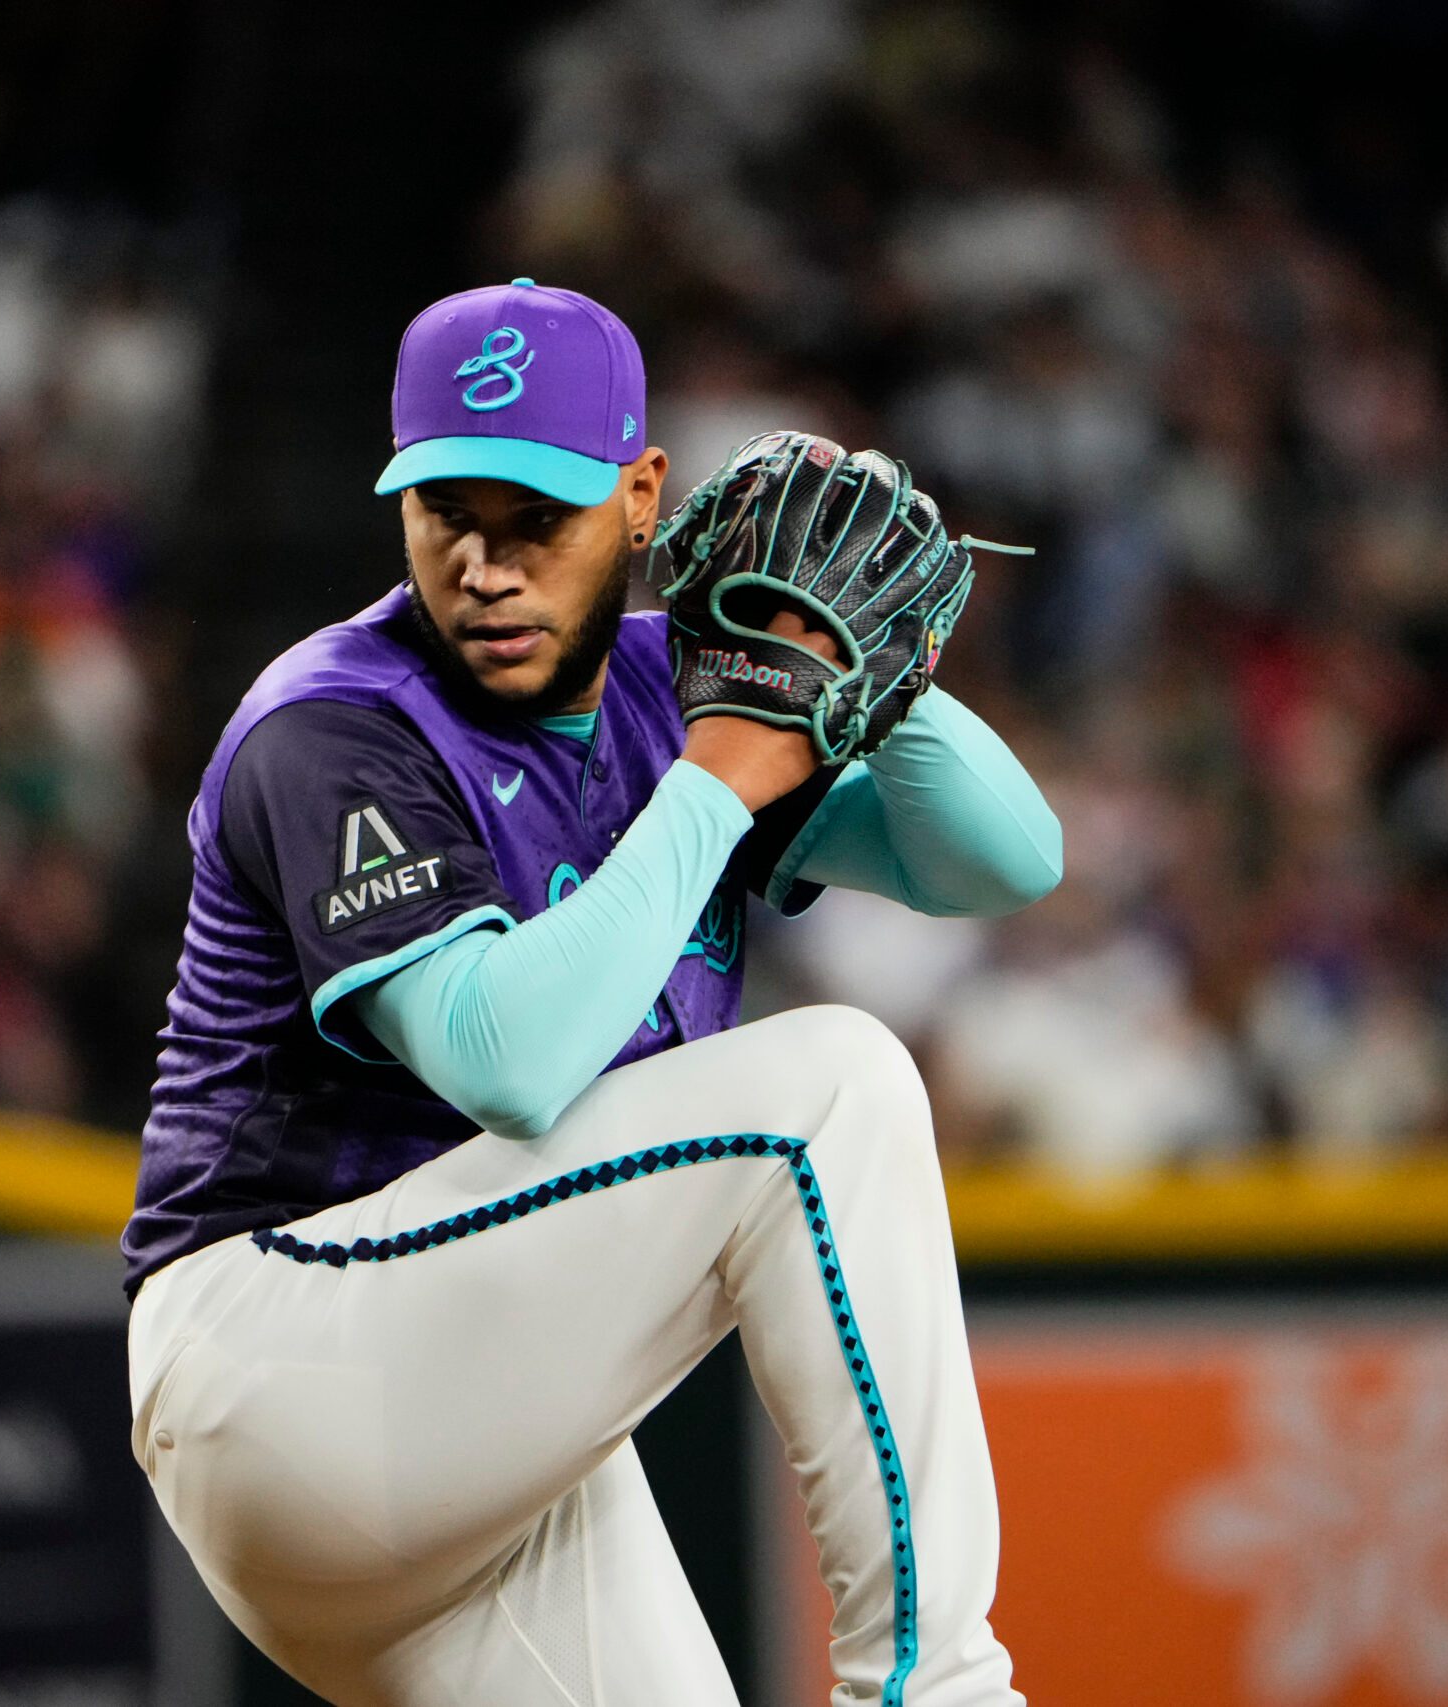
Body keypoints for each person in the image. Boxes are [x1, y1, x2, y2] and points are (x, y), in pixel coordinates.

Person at [123, 277, 1061, 1705]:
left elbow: (1003, 861)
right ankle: (940, 1690)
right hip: (289, 1360)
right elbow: (506, 1060)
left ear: (641, 499)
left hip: (481, 1449)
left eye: (535, 522)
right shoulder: (331, 727)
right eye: (451, 516)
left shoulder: (669, 687)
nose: (488, 568)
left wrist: (870, 664)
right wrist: (720, 775)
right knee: (833, 1093)